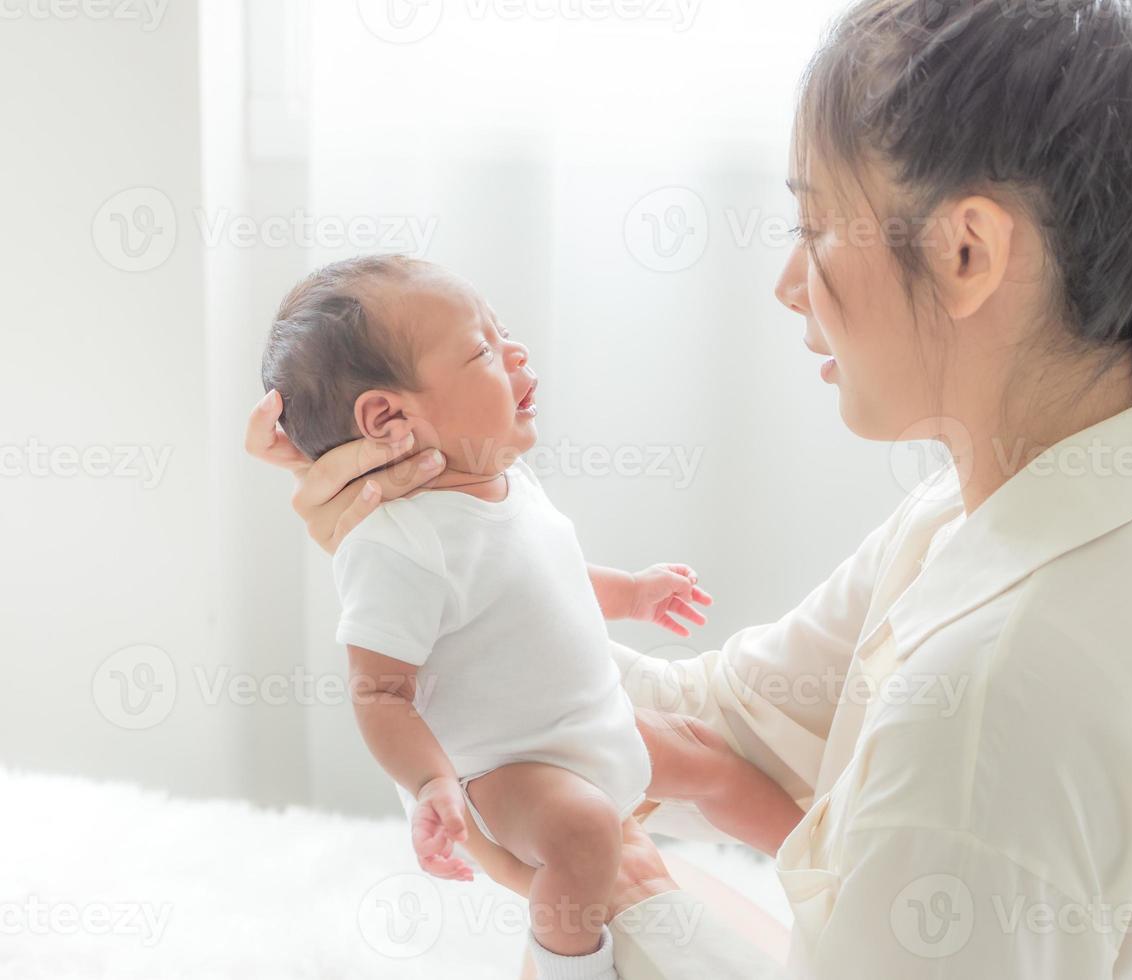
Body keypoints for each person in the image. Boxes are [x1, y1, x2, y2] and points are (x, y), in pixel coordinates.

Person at [246, 0, 1132, 975]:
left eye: (810, 225)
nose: (786, 282)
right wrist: (429, 559)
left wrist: (624, 882)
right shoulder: (1063, 496)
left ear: (968, 250)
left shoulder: (993, 700)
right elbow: (726, 725)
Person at [257, 256, 803, 972]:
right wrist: (431, 784)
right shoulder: (398, 544)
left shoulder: (507, 480)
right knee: (583, 836)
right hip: (508, 767)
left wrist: (632, 593)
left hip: (586, 723)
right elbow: (379, 690)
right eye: (482, 349)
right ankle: (566, 963)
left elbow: (549, 580)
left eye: (502, 329)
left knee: (705, 755)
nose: (514, 351)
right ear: (389, 417)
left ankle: (824, 863)